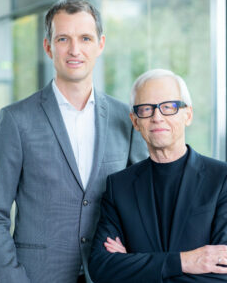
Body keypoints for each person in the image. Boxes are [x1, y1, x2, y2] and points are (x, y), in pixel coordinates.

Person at [0, 0, 147, 283]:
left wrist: (135, 255)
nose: (75, 50)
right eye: (63, 39)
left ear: (100, 44)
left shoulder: (127, 118)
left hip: (109, 273)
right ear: (48, 47)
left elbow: (143, 202)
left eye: (85, 38)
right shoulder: (15, 120)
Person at [89, 69, 227, 283]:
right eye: (146, 109)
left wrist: (135, 264)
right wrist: (183, 261)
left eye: (168, 107)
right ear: (135, 121)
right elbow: (102, 268)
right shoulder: (119, 187)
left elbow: (222, 275)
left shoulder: (221, 179)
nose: (157, 117)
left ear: (187, 114)